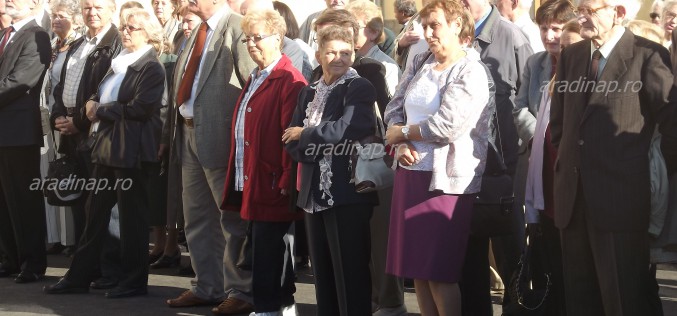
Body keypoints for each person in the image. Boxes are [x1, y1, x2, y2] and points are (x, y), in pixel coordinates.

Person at [551, 0, 677, 314]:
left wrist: (647, 171)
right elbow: (560, 123)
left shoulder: (647, 54)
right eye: (579, 10)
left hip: (620, 201)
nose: (581, 17)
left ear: (618, 13)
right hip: (573, 198)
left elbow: (673, 123)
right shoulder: (573, 55)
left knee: (622, 299)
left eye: (588, 10)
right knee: (580, 300)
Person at [43, 7, 165, 298]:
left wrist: (99, 110)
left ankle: (134, 281)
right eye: (124, 27)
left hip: (132, 153)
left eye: (132, 28)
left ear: (148, 33)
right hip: (106, 149)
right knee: (94, 216)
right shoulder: (119, 61)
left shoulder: (151, 66)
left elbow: (141, 108)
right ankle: (78, 277)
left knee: (133, 222)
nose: (125, 31)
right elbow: (103, 91)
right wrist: (94, 101)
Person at [383, 1, 492, 315]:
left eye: (435, 26)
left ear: (457, 25)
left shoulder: (470, 69)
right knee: (417, 270)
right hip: (410, 175)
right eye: (425, 26)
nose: (427, 33)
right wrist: (400, 144)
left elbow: (446, 126)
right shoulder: (420, 60)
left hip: (446, 183)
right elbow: (394, 108)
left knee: (439, 273)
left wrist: (403, 133)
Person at [161, 0, 256, 312]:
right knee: (197, 217)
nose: (187, 1)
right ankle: (208, 286)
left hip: (222, 139)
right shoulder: (195, 31)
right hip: (188, 135)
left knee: (232, 219)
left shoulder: (238, 27)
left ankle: (241, 291)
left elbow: (252, 83)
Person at [284, 25, 378, 316]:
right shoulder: (309, 91)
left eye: (345, 52)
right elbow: (289, 137)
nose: (338, 58)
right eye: (331, 52)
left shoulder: (359, 86)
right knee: (322, 275)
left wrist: (306, 135)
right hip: (313, 193)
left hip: (347, 191)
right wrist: (305, 139)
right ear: (318, 55)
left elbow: (349, 128)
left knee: (350, 274)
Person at [219, 9, 307, 316]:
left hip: (273, 182)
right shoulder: (257, 76)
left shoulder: (289, 79)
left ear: (278, 38)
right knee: (262, 250)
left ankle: (271, 309)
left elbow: (290, 137)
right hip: (254, 178)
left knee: (271, 253)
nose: (252, 44)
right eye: (248, 38)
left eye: (259, 37)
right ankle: (278, 308)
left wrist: (284, 178)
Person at [49, 0, 122, 257]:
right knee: (77, 199)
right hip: (71, 133)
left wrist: (78, 121)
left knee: (102, 203)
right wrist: (57, 114)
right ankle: (84, 263)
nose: (92, 12)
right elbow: (61, 85)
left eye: (99, 7)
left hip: (96, 132)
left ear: (112, 10)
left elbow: (106, 90)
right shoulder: (79, 43)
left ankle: (104, 265)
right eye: (88, 7)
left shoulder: (116, 42)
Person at [520, 12, 582, 316]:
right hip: (542, 165)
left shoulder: (584, 66)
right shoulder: (537, 64)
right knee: (549, 255)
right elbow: (520, 106)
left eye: (555, 29)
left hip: (569, 170)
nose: (549, 36)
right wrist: (538, 137)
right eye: (544, 28)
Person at [0, 0, 51, 284]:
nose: (8, 1)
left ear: (34, 4)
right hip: (4, 130)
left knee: (23, 199)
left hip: (18, 132)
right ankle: (10, 257)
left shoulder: (36, 35)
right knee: (4, 201)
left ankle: (33, 262)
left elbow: (21, 80)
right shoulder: (6, 34)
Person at [41, 0, 84, 256]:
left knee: (71, 176)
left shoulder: (77, 46)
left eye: (62, 16)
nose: (56, 20)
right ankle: (58, 235)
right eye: (53, 16)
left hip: (72, 119)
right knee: (56, 175)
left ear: (74, 19)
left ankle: (72, 239)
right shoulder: (54, 45)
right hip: (52, 116)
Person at [346, 0, 401, 98]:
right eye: (346, 26)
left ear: (374, 32)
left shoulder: (387, 67)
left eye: (355, 27)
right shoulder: (345, 60)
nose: (348, 32)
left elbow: (388, 107)